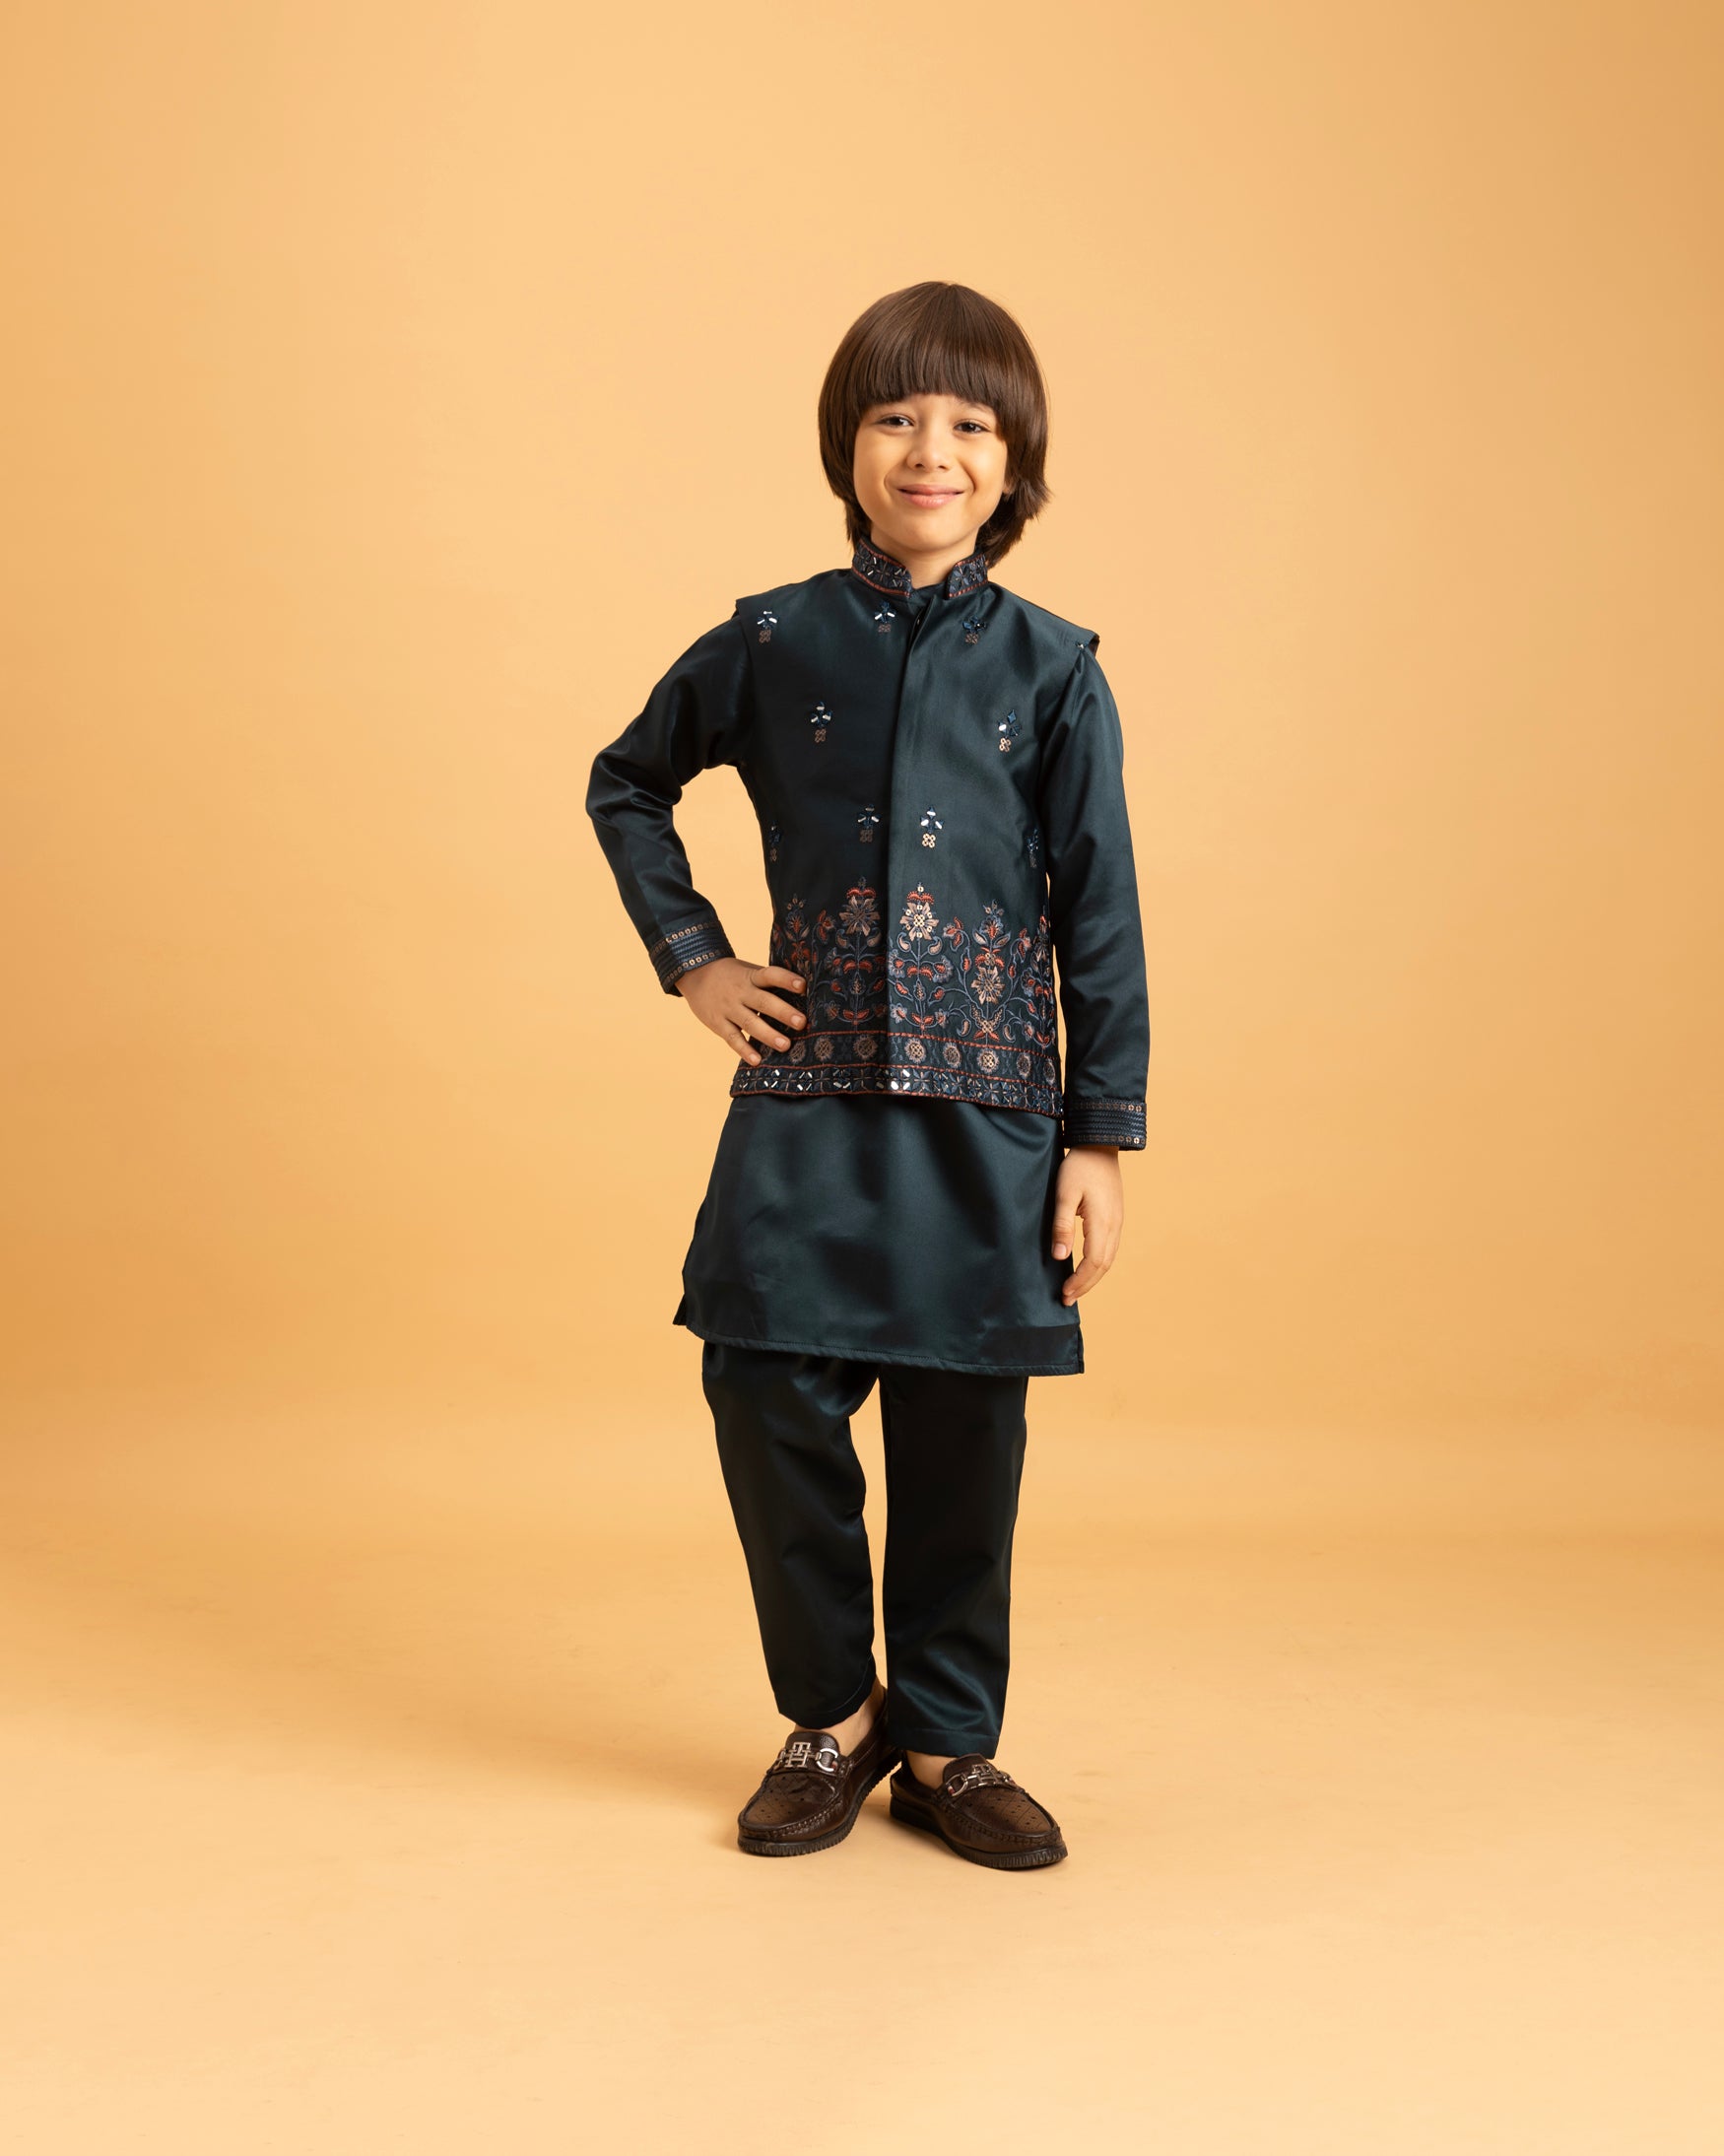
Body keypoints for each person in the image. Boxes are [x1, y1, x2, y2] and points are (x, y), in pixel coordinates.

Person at [585, 281, 1150, 1870]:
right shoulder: (774, 639)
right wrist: (694, 958)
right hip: (807, 1100)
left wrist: (1098, 1140)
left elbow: (1099, 912)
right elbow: (626, 783)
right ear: (847, 445)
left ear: (1013, 461)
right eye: (896, 417)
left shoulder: (1053, 669)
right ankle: (831, 1721)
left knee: (966, 1432)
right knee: (763, 1387)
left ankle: (950, 1744)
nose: (929, 451)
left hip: (992, 1121)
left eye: (968, 424)